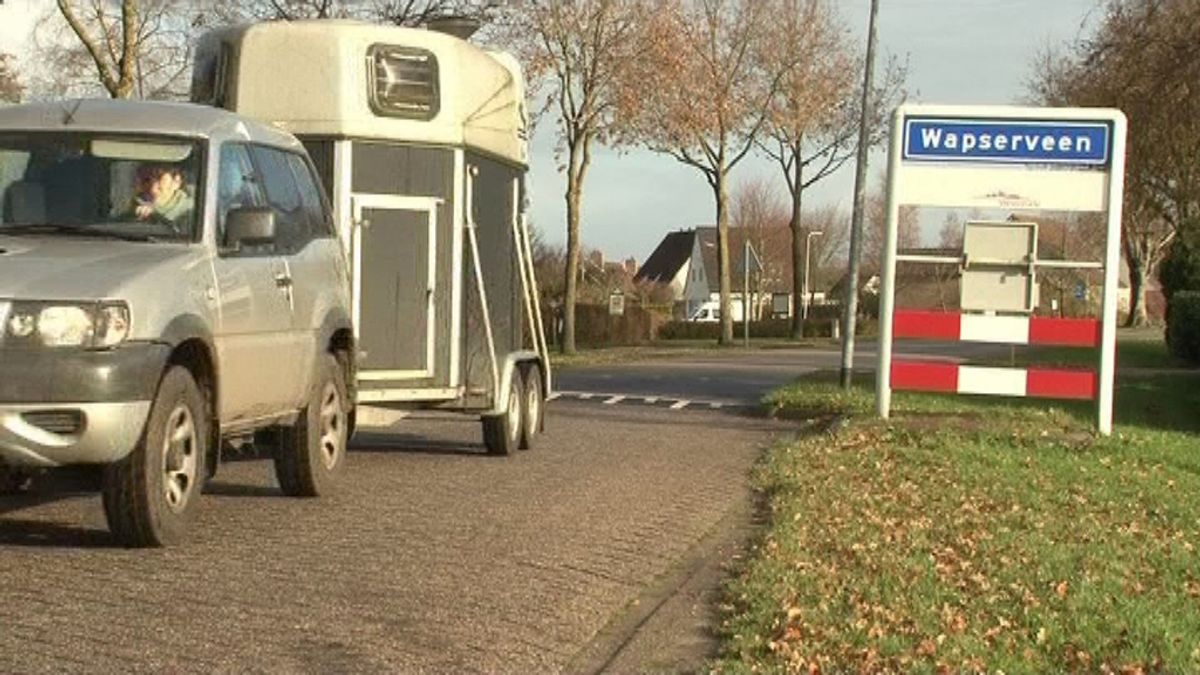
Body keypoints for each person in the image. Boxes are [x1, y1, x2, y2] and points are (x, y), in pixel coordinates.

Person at [130, 164, 193, 229]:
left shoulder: (190, 213)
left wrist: (156, 217)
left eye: (159, 179)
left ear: (176, 182)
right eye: (147, 180)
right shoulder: (133, 208)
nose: (153, 187)